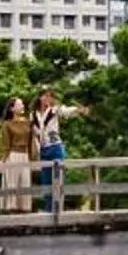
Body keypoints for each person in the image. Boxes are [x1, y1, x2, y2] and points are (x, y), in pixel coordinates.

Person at [32, 89, 82, 218]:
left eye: (50, 96)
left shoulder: (54, 110)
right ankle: (49, 210)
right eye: (45, 96)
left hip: (55, 146)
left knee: (58, 178)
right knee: (46, 181)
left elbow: (66, 111)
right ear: (40, 97)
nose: (48, 99)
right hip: (43, 148)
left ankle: (59, 209)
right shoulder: (33, 115)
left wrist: (77, 110)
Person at [0, 95, 35, 213]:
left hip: (25, 155)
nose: (22, 106)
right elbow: (5, 144)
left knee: (25, 183)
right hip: (13, 155)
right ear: (12, 108)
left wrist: (32, 158)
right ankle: (12, 210)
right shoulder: (7, 124)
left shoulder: (28, 123)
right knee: (13, 183)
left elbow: (31, 141)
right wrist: (3, 159)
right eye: (19, 104)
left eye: (22, 104)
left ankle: (25, 211)